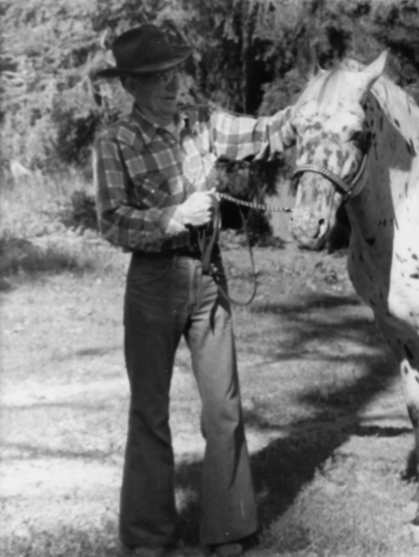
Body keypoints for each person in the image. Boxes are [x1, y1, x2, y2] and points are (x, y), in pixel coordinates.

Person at [92, 24, 293, 557]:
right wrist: (173, 216)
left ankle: (228, 531)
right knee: (149, 414)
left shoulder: (204, 122)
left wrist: (312, 110)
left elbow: (264, 132)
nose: (171, 85)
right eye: (157, 77)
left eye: (175, 73)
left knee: (224, 409)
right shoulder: (114, 142)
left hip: (209, 278)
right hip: (153, 284)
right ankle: (146, 538)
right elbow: (111, 221)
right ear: (131, 85)